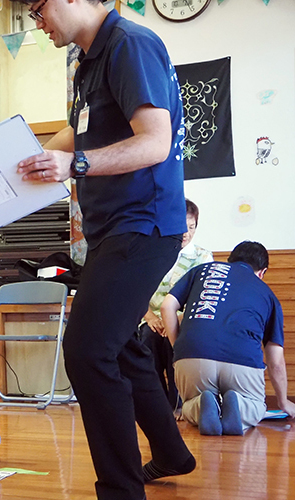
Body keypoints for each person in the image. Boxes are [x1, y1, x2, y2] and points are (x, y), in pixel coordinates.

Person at [15, 1, 196, 498]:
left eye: (38, 10)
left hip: (143, 226)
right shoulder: (88, 60)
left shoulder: (130, 45)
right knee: (124, 347)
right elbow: (76, 134)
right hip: (113, 231)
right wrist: (22, 164)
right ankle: (172, 453)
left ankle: (120, 490)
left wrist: (71, 166)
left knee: (89, 352)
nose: (37, 23)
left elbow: (156, 142)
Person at [161, 241, 295, 435]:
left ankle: (200, 405)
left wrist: (178, 350)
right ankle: (241, 407)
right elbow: (275, 360)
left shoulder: (202, 270)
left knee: (188, 403)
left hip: (192, 356)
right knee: (256, 407)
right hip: (241, 361)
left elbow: (167, 307)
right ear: (262, 272)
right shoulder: (267, 293)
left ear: (230, 260)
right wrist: (283, 402)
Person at [139, 199, 213, 409]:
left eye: (192, 227)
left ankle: (179, 402)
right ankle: (159, 404)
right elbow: (137, 291)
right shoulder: (151, 254)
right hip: (152, 320)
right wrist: (151, 317)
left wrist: (177, 318)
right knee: (148, 342)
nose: (187, 233)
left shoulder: (202, 256)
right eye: (183, 226)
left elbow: (202, 296)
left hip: (184, 319)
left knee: (176, 345)